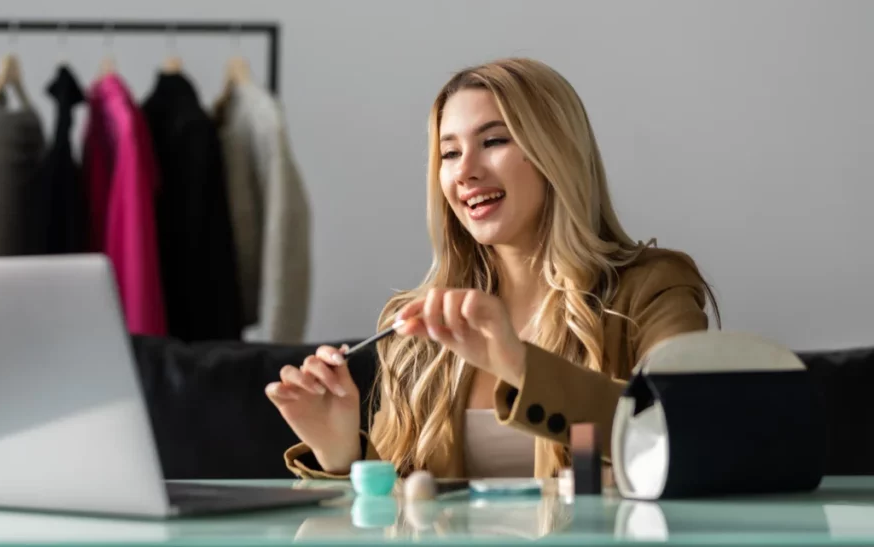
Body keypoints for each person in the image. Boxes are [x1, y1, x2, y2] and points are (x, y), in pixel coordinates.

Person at [266, 58, 718, 480]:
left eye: (494, 141)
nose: (465, 172)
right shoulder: (417, 327)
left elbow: (684, 433)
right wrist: (341, 450)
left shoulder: (654, 288)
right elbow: (401, 513)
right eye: (449, 153)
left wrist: (519, 364)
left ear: (555, 153)